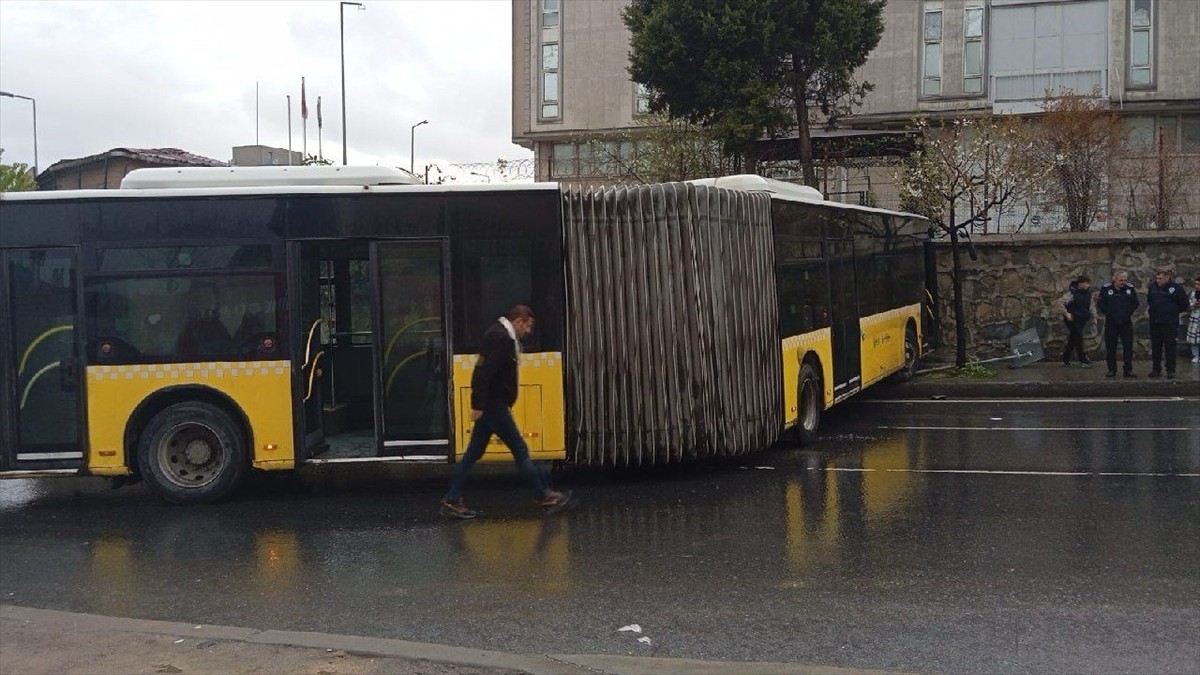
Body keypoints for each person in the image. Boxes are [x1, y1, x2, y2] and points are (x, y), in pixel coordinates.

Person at [441, 305, 572, 519]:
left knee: (473, 453)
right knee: (520, 449)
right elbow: (483, 372)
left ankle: (452, 499)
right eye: (528, 326)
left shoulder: (501, 336)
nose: (528, 331)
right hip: (494, 406)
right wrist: (477, 405)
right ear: (518, 321)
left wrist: (480, 405)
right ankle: (542, 495)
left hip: (492, 405)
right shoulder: (500, 338)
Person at [1145, 270, 1190, 379]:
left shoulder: (1176, 288)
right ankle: (1156, 369)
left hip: (1169, 323)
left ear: (1167, 278)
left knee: (1170, 346)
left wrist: (1172, 312)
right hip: (1155, 322)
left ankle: (1170, 370)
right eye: (1157, 278)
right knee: (1156, 347)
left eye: (1160, 278)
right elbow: (1150, 300)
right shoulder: (1153, 287)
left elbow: (1184, 304)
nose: (1158, 281)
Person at [1096, 270, 1139, 378]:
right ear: (1114, 279)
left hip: (1126, 323)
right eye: (1121, 280)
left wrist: (1127, 312)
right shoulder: (1106, 289)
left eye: (1125, 280)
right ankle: (1112, 370)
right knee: (1111, 347)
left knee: (1128, 347)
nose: (1123, 282)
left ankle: (1128, 370)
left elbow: (1135, 303)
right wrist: (1110, 312)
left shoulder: (1130, 289)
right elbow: (1101, 304)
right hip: (1111, 323)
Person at [1056, 275, 1093, 367]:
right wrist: (1066, 314)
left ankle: (1066, 357)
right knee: (1078, 337)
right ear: (1080, 283)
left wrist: (1094, 317)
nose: (1086, 285)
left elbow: (1091, 306)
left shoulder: (1088, 293)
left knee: (1073, 338)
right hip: (1072, 318)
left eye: (1087, 283)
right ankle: (1082, 359)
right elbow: (1060, 303)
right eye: (1084, 283)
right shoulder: (1072, 293)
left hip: (1082, 318)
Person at [1188, 277, 1200, 364]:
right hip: (1194, 318)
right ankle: (1195, 355)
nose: (1196, 286)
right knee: (1193, 339)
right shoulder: (1193, 293)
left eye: (1198, 284)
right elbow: (1189, 305)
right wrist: (1194, 305)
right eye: (1196, 284)